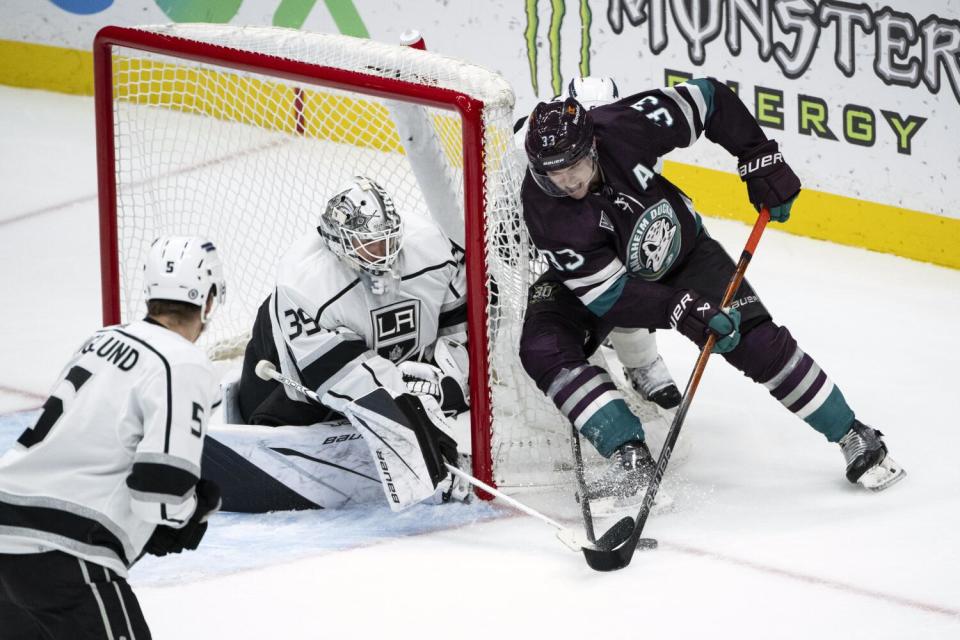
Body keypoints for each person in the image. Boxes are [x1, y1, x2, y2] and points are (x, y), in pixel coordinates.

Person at [518, 77, 906, 502]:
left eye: (575, 167)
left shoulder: (623, 125)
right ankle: (629, 456)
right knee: (543, 346)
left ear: (591, 146)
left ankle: (853, 432)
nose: (568, 183)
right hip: (606, 284)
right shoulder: (545, 210)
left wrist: (759, 157)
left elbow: (709, 98)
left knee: (753, 340)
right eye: (554, 175)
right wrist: (681, 308)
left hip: (684, 255)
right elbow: (611, 296)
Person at [0, 236, 226, 639]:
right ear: (209, 299)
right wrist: (189, 512)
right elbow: (161, 495)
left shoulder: (100, 339)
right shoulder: (184, 364)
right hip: (64, 550)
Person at [220, 176, 469, 512]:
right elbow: (339, 374)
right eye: (369, 244)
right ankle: (273, 423)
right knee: (281, 403)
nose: (383, 253)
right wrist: (407, 408)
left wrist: (449, 380)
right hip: (295, 374)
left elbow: (461, 311)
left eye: (388, 239)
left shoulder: (430, 246)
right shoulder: (303, 284)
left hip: (391, 365)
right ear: (337, 242)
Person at [515, 76, 682, 411]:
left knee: (632, 268)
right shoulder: (525, 143)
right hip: (528, 225)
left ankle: (640, 362)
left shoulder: (630, 139)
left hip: (597, 226)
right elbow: (502, 196)